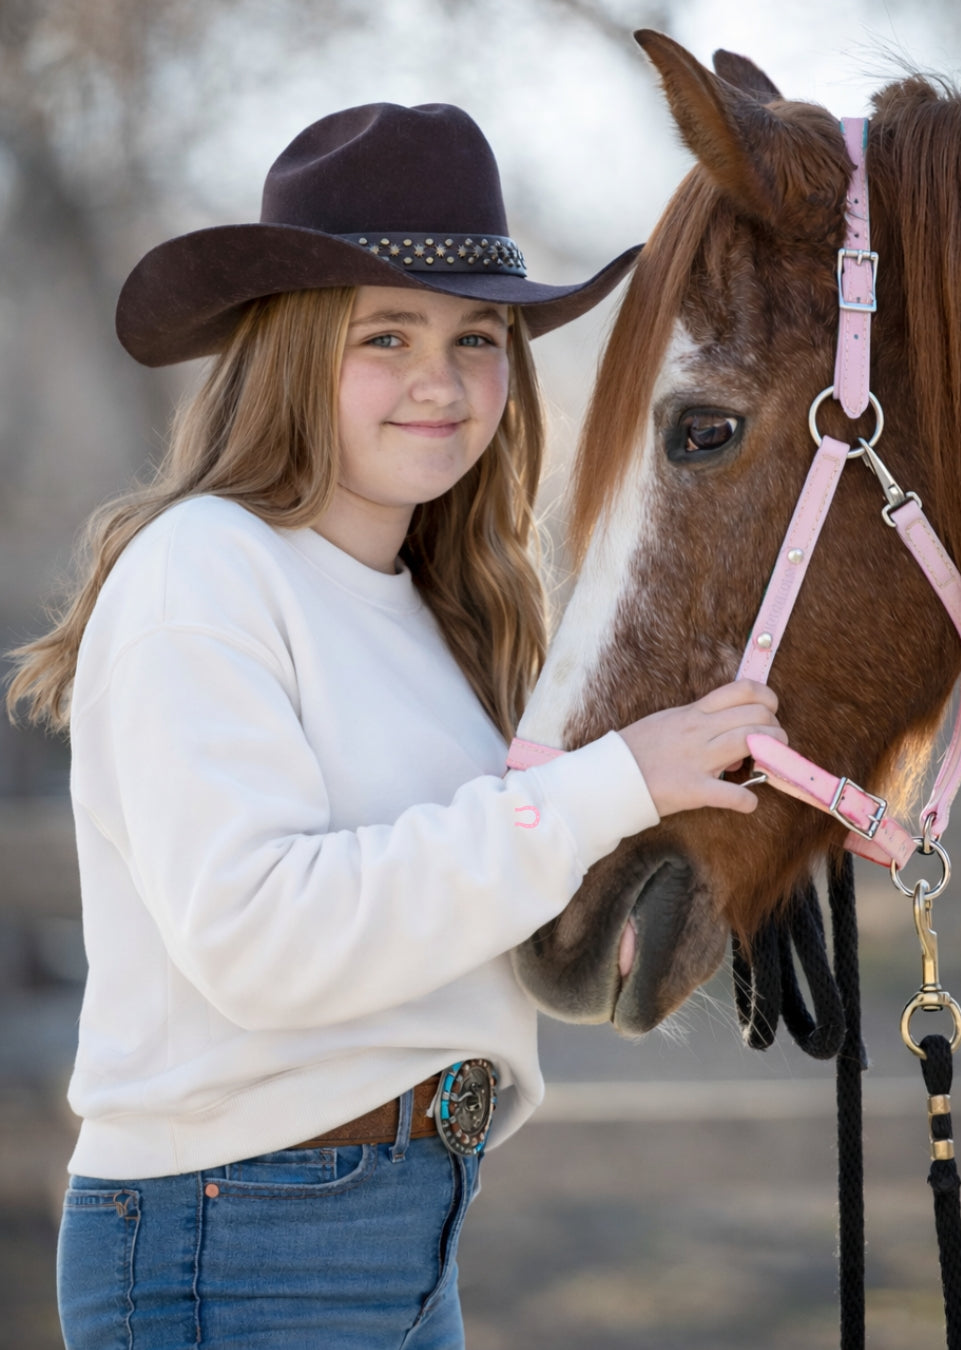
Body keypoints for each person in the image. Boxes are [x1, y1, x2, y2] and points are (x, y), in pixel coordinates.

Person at [6, 101, 785, 1349]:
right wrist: (605, 787)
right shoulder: (204, 573)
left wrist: (706, 826)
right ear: (288, 351)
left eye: (478, 337)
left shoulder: (446, 614)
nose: (442, 380)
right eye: (386, 335)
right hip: (241, 1233)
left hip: (403, 1221)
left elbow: (466, 914)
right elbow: (261, 939)